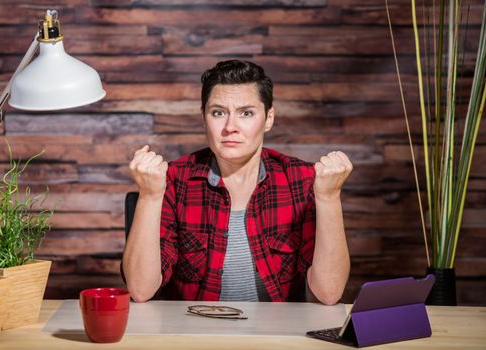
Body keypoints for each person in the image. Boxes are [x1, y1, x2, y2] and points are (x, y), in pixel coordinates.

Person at [122, 60, 352, 304]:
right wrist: (149, 196)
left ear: (269, 118)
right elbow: (140, 290)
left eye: (246, 113)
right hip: (193, 334)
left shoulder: (301, 180)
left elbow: (329, 293)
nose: (230, 127)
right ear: (204, 118)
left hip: (275, 336)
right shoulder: (173, 180)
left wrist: (329, 198)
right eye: (218, 113)